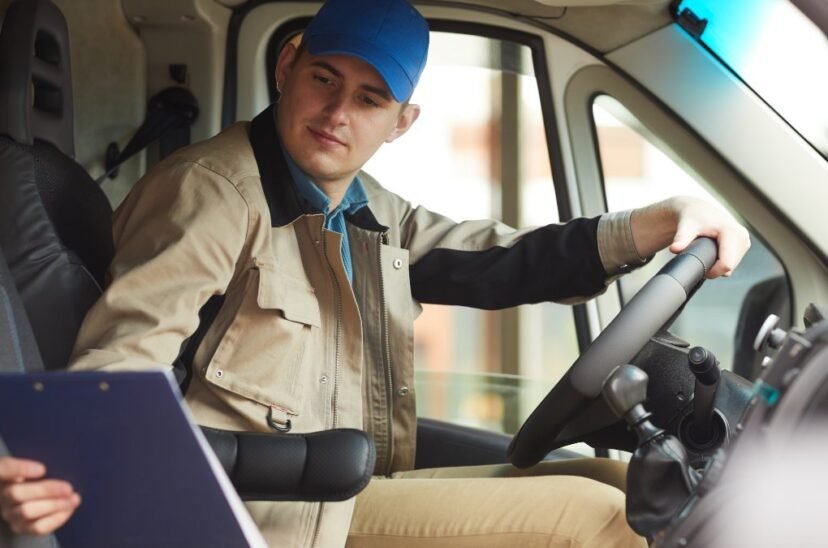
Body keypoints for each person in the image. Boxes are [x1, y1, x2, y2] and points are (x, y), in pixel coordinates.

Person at [0, 0, 750, 545]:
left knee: (617, 484)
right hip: (258, 514)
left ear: (401, 123)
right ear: (288, 65)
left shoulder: (363, 207)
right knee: (603, 526)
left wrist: (657, 221)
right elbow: (119, 366)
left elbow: (498, 262)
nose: (337, 113)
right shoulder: (213, 193)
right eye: (324, 78)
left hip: (340, 493)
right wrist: (60, 475)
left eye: (369, 99)